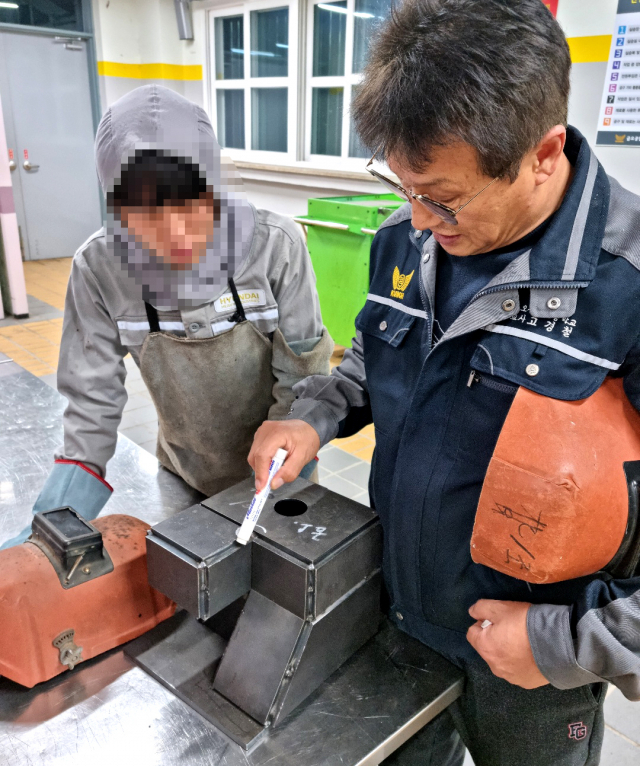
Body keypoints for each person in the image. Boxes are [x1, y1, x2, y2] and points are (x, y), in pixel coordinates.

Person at [249, 1, 640, 764]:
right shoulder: (406, 238)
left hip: (533, 667)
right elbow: (373, 361)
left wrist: (564, 642)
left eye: (443, 197)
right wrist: (314, 414)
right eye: (403, 186)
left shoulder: (626, 285)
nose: (418, 220)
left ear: (544, 153)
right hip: (399, 616)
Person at [1, 84, 331, 550]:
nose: (175, 232)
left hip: (279, 473)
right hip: (184, 472)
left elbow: (302, 380)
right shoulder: (99, 268)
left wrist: (279, 457)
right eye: (145, 213)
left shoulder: (276, 246)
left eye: (191, 204)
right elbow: (92, 401)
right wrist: (53, 527)